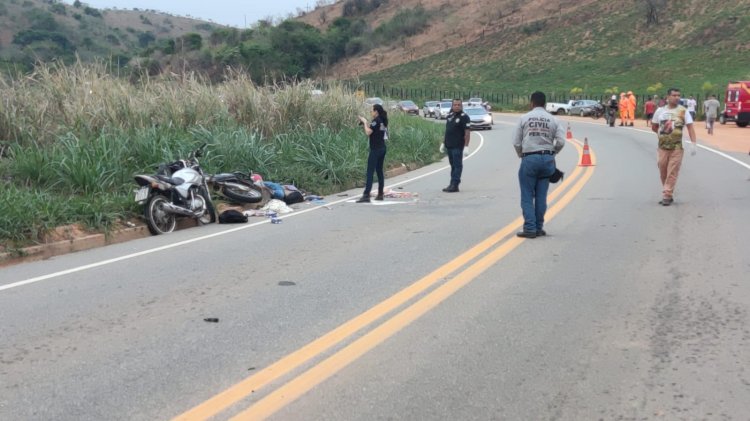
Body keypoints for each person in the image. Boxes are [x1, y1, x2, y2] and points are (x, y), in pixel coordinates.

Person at [512, 91, 566, 238]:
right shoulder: (553, 120)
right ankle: (539, 227)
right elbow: (561, 141)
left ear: (531, 103)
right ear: (545, 104)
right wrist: (552, 153)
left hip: (530, 158)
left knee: (527, 195)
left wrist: (521, 154)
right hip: (547, 159)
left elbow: (516, 142)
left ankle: (529, 228)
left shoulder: (524, 118)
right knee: (541, 196)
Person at [651, 87, 697, 206]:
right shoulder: (660, 111)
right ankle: (669, 192)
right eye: (674, 95)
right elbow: (654, 126)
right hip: (662, 147)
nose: (677, 97)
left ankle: (667, 194)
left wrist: (693, 143)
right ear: (668, 97)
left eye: (678, 95)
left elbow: (690, 127)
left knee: (672, 171)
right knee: (663, 170)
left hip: (677, 147)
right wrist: (662, 135)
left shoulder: (683, 111)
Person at [356, 104, 388, 203]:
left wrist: (365, 122)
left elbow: (368, 132)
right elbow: (376, 130)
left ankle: (366, 195)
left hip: (375, 150)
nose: (371, 112)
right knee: (379, 171)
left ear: (376, 111)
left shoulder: (376, 121)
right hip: (382, 148)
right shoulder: (382, 121)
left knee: (370, 172)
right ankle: (380, 194)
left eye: (372, 110)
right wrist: (366, 123)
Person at [442, 98, 471, 192]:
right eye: (455, 105)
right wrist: (443, 143)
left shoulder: (464, 117)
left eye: (459, 105)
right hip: (449, 145)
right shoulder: (450, 115)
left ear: (461, 106)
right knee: (453, 165)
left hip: (457, 146)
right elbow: (447, 131)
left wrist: (466, 146)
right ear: (452, 106)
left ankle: (455, 184)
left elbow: (467, 133)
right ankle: (452, 184)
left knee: (457, 165)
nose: (457, 106)